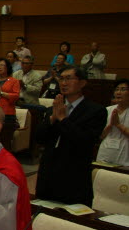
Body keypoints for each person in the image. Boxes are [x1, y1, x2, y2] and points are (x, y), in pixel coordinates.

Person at [36, 67, 106, 206]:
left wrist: (63, 119)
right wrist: (52, 119)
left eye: (69, 78)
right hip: (48, 175)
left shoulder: (96, 110)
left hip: (74, 177)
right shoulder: (54, 108)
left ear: (82, 83)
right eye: (61, 79)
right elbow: (39, 138)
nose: (63, 83)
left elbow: (84, 141)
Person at [96, 79, 129, 166]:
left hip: (125, 157)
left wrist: (118, 125)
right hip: (105, 153)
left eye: (123, 89)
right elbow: (99, 136)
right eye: (117, 89)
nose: (118, 92)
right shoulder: (107, 110)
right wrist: (110, 125)